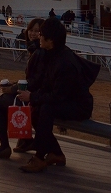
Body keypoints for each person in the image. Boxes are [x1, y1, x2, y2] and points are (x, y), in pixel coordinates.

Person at [18, 17, 98, 172]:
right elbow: (49, 87)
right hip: (66, 100)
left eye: (42, 35)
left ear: (51, 40)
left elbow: (57, 96)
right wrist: (34, 97)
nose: (38, 37)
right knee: (38, 109)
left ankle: (40, 157)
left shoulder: (64, 63)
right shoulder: (53, 54)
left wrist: (32, 97)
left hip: (79, 105)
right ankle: (56, 153)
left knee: (46, 109)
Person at [0, 18, 46, 159]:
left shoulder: (39, 51)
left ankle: (6, 145)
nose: (33, 33)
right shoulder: (35, 49)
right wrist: (14, 85)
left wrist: (13, 89)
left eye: (37, 31)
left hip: (35, 96)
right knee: (2, 101)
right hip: (33, 93)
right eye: (31, 30)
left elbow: (35, 81)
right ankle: (23, 140)